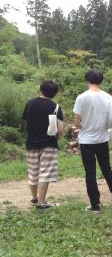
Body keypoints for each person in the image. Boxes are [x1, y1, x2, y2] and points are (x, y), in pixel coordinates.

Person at [74, 69, 112, 213]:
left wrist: (83, 125)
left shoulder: (82, 97)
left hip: (86, 140)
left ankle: (95, 204)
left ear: (87, 80)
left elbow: (77, 124)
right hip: (102, 139)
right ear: (101, 81)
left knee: (90, 172)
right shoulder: (108, 97)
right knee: (107, 169)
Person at [22, 80, 65, 209]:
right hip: (48, 143)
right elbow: (61, 129)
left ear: (40, 89)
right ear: (54, 94)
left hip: (31, 143)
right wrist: (55, 139)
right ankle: (42, 202)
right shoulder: (55, 107)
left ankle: (34, 198)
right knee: (45, 173)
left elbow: (25, 123)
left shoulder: (29, 104)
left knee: (33, 171)